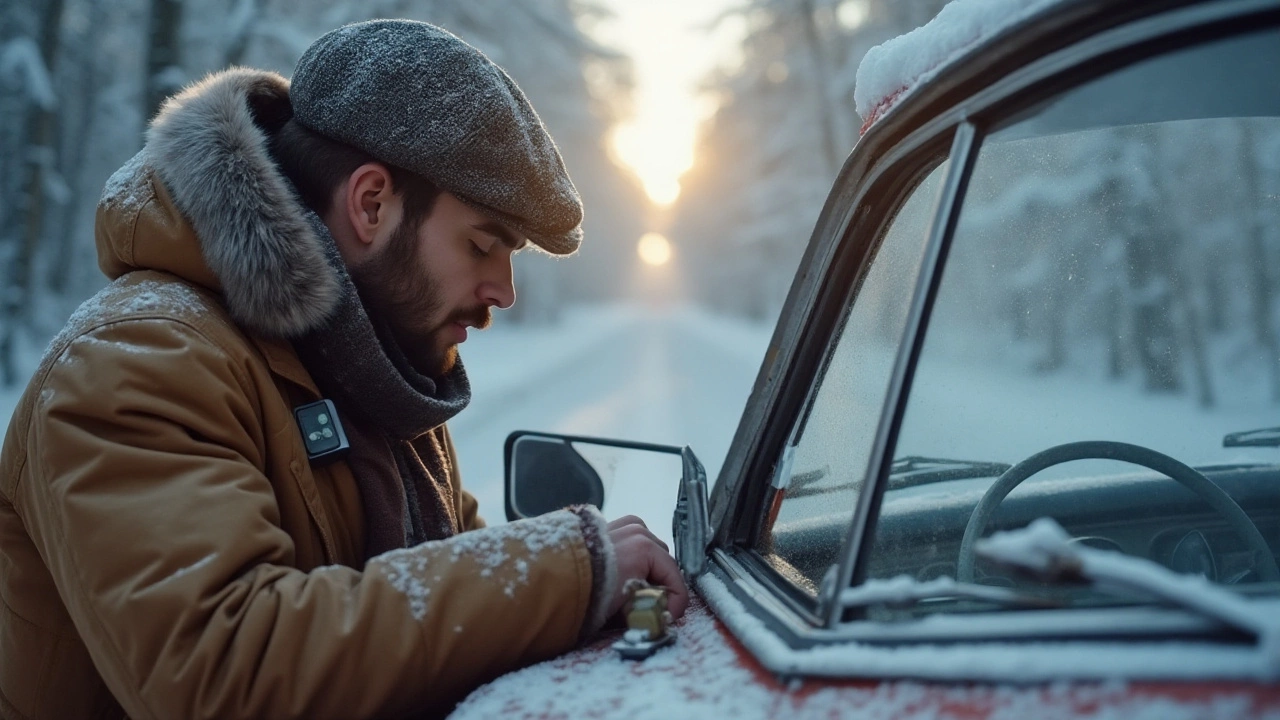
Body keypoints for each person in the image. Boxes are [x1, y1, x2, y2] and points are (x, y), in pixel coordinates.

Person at [0, 19, 688, 719]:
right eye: (482, 245)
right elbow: (227, 672)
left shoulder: (370, 361)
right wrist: (567, 570)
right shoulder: (132, 361)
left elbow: (449, 573)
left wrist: (591, 581)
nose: (504, 292)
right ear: (370, 204)